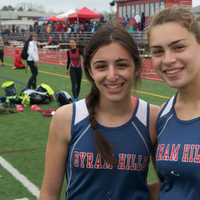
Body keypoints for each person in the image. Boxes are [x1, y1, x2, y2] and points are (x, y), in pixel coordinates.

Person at [39, 23, 159, 200]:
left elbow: (171, 184)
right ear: (90, 71)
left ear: (137, 67)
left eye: (121, 65)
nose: (112, 75)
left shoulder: (153, 118)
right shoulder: (66, 118)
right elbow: (49, 193)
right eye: (101, 66)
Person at [148, 6, 200, 200]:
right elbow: (170, 186)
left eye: (179, 47)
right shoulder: (163, 115)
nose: (168, 60)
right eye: (158, 51)